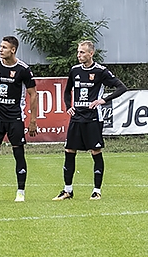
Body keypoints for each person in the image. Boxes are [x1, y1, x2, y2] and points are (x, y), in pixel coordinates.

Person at [52, 41, 127, 201]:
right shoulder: (75, 71)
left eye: (82, 52)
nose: (79, 55)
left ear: (91, 54)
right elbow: (67, 91)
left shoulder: (100, 71)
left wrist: (103, 100)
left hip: (93, 118)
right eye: (78, 52)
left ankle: (96, 190)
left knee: (96, 152)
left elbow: (121, 87)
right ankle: (67, 190)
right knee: (69, 151)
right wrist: (68, 106)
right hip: (76, 118)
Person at [0, 36, 38, 203]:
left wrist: (33, 120)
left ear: (13, 49)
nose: (1, 49)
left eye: (4, 47)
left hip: (15, 118)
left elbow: (33, 93)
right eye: (0, 46)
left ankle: (20, 192)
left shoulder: (23, 69)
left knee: (18, 154)